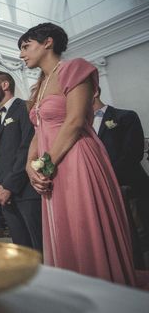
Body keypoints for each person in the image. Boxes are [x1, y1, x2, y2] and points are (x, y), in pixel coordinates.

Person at [19, 22, 137, 286]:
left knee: (84, 225)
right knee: (64, 229)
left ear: (48, 42)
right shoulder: (39, 86)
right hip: (51, 164)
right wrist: (30, 165)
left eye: (26, 46)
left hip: (76, 158)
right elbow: (39, 130)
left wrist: (45, 164)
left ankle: (103, 290)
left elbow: (73, 122)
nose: (21, 54)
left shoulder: (74, 69)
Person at [0, 71, 42, 252]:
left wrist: (8, 186)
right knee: (21, 248)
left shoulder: (25, 108)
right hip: (5, 196)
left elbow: (26, 150)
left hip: (26, 191)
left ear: (5, 85)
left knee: (39, 247)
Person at [93, 87, 149, 268]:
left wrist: (106, 177)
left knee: (141, 235)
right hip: (100, 192)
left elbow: (133, 153)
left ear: (93, 92)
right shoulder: (79, 125)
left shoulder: (125, 117)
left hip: (128, 186)